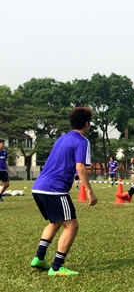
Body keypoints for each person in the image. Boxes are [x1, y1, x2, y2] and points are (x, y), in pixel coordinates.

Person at [30, 107, 97, 276]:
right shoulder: (82, 141)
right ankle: (57, 266)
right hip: (54, 189)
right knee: (72, 225)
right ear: (87, 124)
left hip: (38, 187)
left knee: (56, 222)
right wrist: (89, 191)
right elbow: (80, 167)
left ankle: (39, 258)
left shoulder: (62, 138)